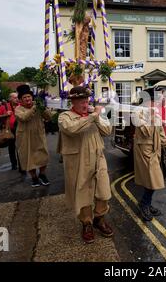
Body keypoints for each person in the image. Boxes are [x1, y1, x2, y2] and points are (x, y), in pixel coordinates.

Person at [58, 86, 113, 244]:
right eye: (81, 101)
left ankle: (100, 218)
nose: (85, 104)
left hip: (98, 157)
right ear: (73, 102)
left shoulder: (92, 115)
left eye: (86, 100)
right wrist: (93, 115)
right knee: (82, 193)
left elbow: (108, 130)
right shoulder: (64, 117)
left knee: (103, 190)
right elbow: (72, 129)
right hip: (78, 161)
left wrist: (97, 116)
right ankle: (87, 223)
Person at [133, 94, 166, 221]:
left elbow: (161, 132)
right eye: (155, 101)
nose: (157, 104)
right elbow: (147, 132)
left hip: (155, 149)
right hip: (144, 150)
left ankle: (146, 203)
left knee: (152, 180)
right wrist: (152, 116)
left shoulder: (154, 113)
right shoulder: (138, 113)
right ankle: (144, 204)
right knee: (151, 179)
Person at [15, 85, 51, 187]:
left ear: (32, 97)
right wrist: (35, 107)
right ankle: (34, 178)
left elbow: (48, 117)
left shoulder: (38, 105)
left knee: (43, 155)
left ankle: (42, 175)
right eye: (24, 97)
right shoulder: (18, 109)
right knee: (28, 157)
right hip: (24, 136)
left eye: (29, 97)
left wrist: (43, 108)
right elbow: (24, 117)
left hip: (39, 134)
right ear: (21, 100)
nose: (27, 99)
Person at [0, 93, 21, 171]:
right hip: (9, 130)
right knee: (12, 147)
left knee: (20, 147)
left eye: (17, 97)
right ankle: (14, 164)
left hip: (20, 129)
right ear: (10, 99)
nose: (17, 99)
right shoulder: (4, 106)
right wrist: (5, 114)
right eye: (15, 97)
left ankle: (21, 164)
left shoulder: (20, 105)